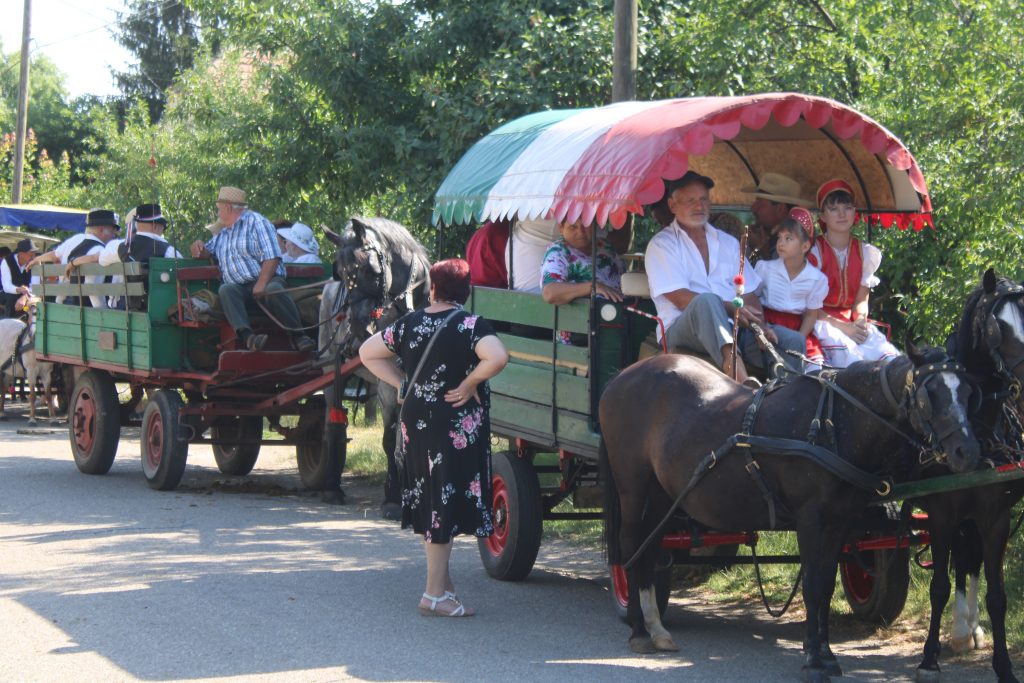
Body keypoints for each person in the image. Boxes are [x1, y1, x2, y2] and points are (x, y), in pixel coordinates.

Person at [359, 258, 508, 617]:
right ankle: (434, 595)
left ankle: (443, 586)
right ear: (465, 289)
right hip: (452, 423)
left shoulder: (409, 323)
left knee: (432, 500)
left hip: (417, 420)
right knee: (444, 504)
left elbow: (367, 353)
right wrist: (469, 384)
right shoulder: (470, 324)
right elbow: (497, 357)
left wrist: (402, 384)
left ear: (433, 287)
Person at [644, 171, 805, 382]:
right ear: (672, 205)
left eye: (703, 199)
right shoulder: (662, 244)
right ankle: (740, 379)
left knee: (792, 341)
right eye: (691, 201)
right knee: (707, 301)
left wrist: (760, 327)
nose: (699, 206)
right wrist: (729, 307)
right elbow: (681, 299)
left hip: (735, 327)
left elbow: (749, 294)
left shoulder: (728, 242)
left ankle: (786, 398)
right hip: (683, 331)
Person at [189, 186, 315, 353]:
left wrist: (261, 283)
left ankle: (299, 336)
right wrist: (198, 247)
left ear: (228, 208)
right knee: (226, 290)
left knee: (273, 289)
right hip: (241, 289)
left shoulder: (257, 222)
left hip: (268, 280)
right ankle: (249, 338)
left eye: (219, 209)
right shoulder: (222, 233)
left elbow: (272, 256)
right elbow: (206, 252)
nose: (218, 213)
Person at [807, 179, 899, 367]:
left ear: (854, 212)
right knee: (852, 360)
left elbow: (860, 301)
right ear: (822, 216)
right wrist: (844, 327)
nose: (842, 214)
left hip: (850, 322)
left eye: (847, 208)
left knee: (889, 358)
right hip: (820, 322)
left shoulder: (864, 252)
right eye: (834, 209)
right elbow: (808, 307)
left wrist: (860, 320)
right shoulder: (814, 253)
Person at [753, 208, 828, 368]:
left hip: (797, 331)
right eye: (779, 237)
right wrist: (761, 327)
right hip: (767, 326)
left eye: (788, 238)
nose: (781, 243)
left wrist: (798, 340)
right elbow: (753, 298)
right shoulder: (765, 268)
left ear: (805, 246)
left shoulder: (817, 279)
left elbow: (811, 314)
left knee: (814, 371)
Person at [540, 218, 624, 344]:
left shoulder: (605, 246)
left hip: (617, 322)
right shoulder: (558, 252)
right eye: (573, 227)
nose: (581, 232)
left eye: (586, 224)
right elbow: (549, 292)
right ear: (561, 228)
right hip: (581, 334)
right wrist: (593, 287)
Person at [30, 209, 121, 308]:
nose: (113, 235)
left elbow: (55, 256)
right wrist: (103, 311)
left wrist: (36, 259)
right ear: (102, 230)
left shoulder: (76, 240)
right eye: (112, 231)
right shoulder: (99, 250)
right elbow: (93, 289)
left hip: (65, 305)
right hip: (89, 309)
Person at [742, 173, 813, 263]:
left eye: (759, 203)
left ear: (780, 209)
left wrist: (762, 250)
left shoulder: (797, 240)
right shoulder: (771, 236)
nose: (753, 208)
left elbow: (786, 270)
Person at [1, 239, 41, 318]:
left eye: (34, 254)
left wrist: (25, 297)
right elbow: (6, 286)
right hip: (9, 293)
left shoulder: (36, 263)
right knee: (12, 297)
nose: (33, 257)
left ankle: (26, 321)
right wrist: (18, 289)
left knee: (32, 302)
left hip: (29, 294)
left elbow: (35, 286)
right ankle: (10, 321)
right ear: (21, 254)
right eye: (31, 254)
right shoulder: (7, 262)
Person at [466, 220, 509, 288]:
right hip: (492, 291)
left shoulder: (483, 231)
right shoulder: (501, 232)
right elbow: (512, 277)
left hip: (474, 290)